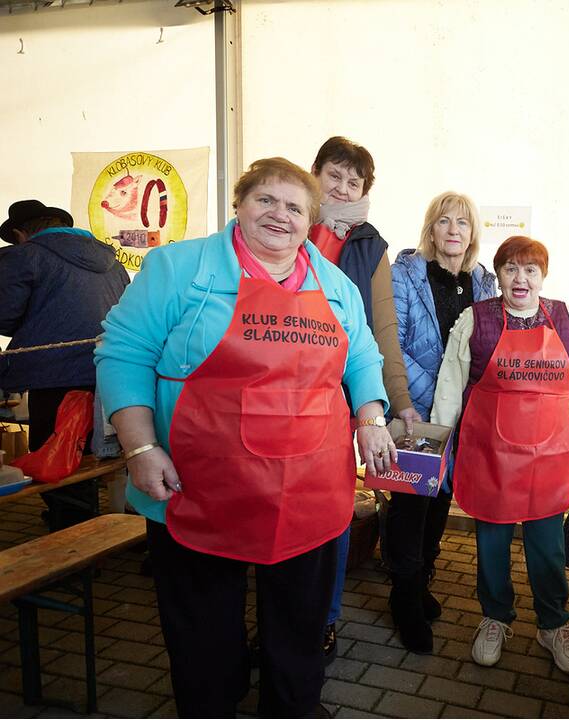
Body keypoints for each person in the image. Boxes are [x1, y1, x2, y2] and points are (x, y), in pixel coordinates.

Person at [95, 158, 397, 718]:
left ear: (313, 221)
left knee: (300, 624)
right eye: (266, 200)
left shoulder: (335, 286)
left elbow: (362, 360)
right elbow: (122, 352)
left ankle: (292, 707)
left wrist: (371, 418)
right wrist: (139, 447)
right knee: (203, 629)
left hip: (307, 485)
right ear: (239, 204)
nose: (279, 215)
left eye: (295, 207)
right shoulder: (178, 268)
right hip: (197, 483)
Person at [431, 235, 569, 675]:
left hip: (550, 456)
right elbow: (451, 386)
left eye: (530, 269)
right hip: (490, 455)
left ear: (542, 276)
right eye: (511, 269)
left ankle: (553, 625)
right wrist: (438, 446)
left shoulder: (566, 320)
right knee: (491, 545)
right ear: (499, 275)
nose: (520, 278)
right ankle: (494, 618)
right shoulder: (477, 320)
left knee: (547, 548)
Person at [308, 136, 420, 660]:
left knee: (330, 513)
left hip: (334, 400)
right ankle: (278, 618)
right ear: (315, 173)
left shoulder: (370, 246)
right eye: (336, 175)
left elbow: (382, 333)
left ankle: (323, 621)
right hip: (272, 397)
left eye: (355, 182)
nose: (343, 188)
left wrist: (396, 404)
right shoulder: (282, 223)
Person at [387, 191, 496, 652]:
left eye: (463, 223)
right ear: (430, 229)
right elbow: (390, 340)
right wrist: (436, 394)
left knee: (440, 503)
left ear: (472, 234)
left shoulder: (485, 283)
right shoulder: (404, 276)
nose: (454, 230)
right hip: (416, 412)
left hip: (463, 416)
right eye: (444, 222)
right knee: (410, 506)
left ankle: (424, 578)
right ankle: (403, 597)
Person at [0, 199, 129, 530]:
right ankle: (82, 520)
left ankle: (73, 530)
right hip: (111, 371)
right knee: (91, 450)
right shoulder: (112, 261)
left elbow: (5, 316)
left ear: (19, 233)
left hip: (53, 375)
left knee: (52, 453)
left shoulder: (24, 256)